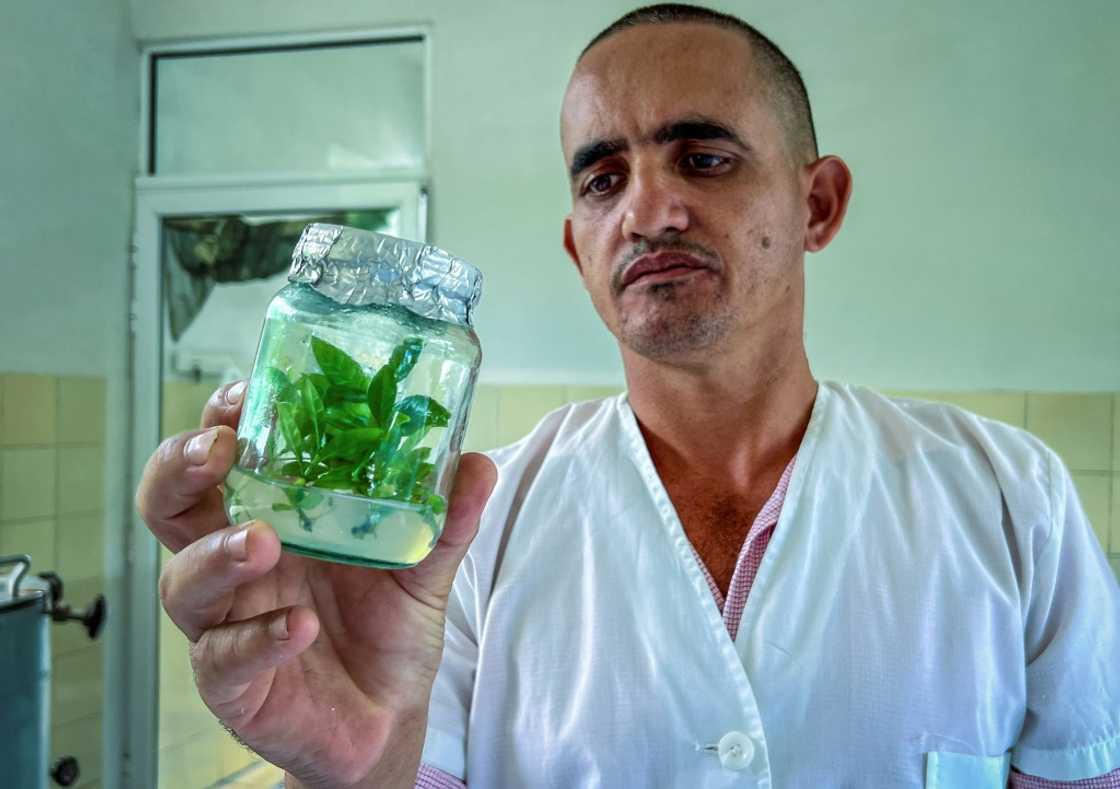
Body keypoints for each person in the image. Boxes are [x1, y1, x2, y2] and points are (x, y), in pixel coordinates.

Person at [136, 4, 1120, 788]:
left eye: (704, 158)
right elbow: (383, 767)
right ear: (578, 249)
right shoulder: (454, 545)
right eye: (602, 180)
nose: (647, 210)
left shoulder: (1007, 499)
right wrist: (353, 769)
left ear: (814, 203)